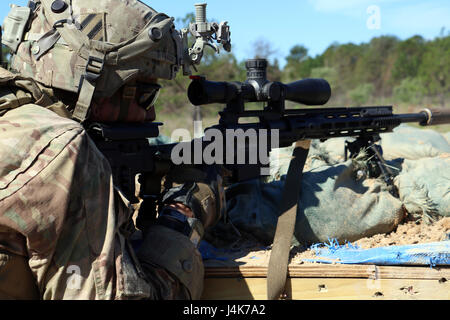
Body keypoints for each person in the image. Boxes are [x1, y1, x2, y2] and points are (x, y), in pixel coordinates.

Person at [0, 0, 224, 299]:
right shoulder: (60, 152)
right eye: (146, 94)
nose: (151, 114)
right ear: (91, 83)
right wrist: (181, 217)